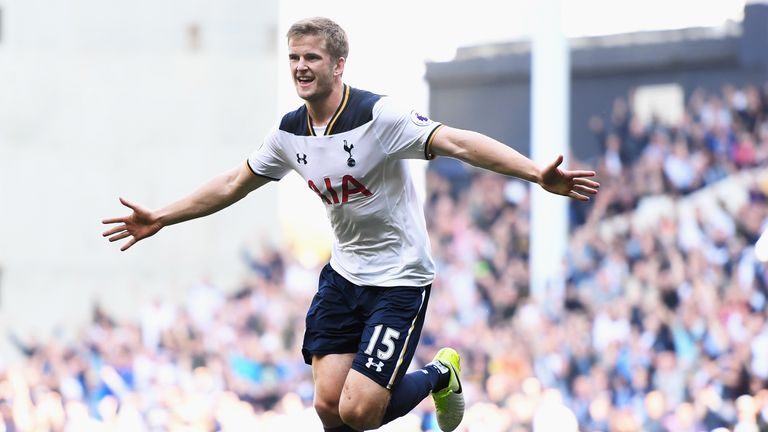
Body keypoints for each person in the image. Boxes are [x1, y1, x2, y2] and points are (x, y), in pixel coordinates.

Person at [102, 17, 599, 432]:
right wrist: (162, 217)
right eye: (294, 57)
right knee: (327, 407)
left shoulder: (378, 116)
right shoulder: (289, 133)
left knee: (358, 411)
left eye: (312, 57)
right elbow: (234, 183)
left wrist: (536, 172)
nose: (301, 66)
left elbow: (460, 143)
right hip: (344, 276)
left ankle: (439, 374)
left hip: (399, 280)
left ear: (338, 65)